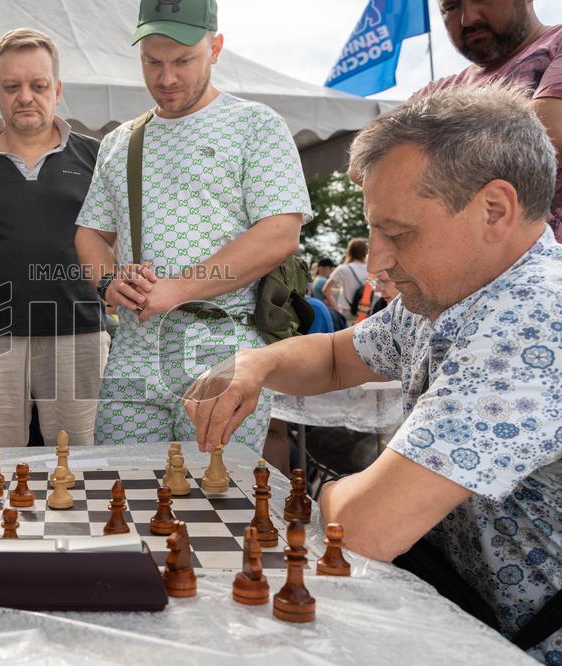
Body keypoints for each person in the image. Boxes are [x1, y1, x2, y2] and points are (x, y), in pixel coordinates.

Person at [184, 86, 561, 662]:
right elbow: (337, 357)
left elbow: (363, 528)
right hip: (472, 610)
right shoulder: (450, 295)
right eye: (374, 231)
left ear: (495, 209)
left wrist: (324, 491)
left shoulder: (535, 315)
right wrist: (254, 362)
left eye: (400, 234)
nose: (378, 259)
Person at [74, 0, 310, 448]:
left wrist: (177, 289)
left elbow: (281, 233)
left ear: (215, 48)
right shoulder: (120, 140)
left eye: (183, 60)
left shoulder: (255, 125)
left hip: (225, 346)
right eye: (152, 61)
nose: (166, 78)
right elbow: (90, 233)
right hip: (136, 351)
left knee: (215, 502)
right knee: (124, 495)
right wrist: (107, 281)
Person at [0, 28, 108, 448]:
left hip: (78, 332)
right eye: (13, 87)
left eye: (38, 86)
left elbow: (111, 245)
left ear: (57, 90)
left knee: (80, 462)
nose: (25, 97)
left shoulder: (97, 158)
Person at [414, 0, 562, 242]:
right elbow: (366, 166)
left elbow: (546, 134)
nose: (467, 19)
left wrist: (427, 150)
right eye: (451, 7)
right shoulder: (435, 90)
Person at [322, 238, 368, 324]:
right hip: (365, 311)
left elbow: (325, 290)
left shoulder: (343, 268)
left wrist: (336, 308)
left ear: (349, 251)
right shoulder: (370, 269)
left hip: (346, 312)